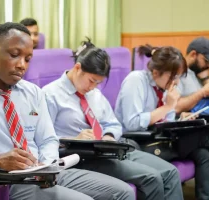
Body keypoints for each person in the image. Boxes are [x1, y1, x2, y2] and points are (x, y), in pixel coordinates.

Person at [0, 22, 135, 200]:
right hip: (5, 181)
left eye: (27, 59)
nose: (22, 65)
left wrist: (47, 163)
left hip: (44, 173)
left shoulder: (33, 92)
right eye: (14, 55)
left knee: (123, 193)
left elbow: (48, 140)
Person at [42, 38, 184, 200]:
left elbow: (113, 123)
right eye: (91, 81)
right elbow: (43, 139)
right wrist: (72, 140)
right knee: (152, 177)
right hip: (82, 156)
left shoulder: (94, 94)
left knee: (171, 172)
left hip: (109, 148)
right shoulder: (50, 95)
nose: (93, 87)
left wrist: (109, 135)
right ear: (77, 68)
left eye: (98, 83)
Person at [114, 44, 209, 200]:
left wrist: (179, 120)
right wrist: (168, 106)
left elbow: (165, 119)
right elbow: (132, 123)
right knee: (204, 136)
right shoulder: (135, 81)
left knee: (203, 154)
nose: (175, 82)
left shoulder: (162, 87)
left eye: (178, 77)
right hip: (137, 142)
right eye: (173, 76)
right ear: (156, 72)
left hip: (159, 139)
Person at [175, 37, 209, 113]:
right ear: (193, 54)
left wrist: (206, 80)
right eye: (206, 60)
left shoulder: (199, 71)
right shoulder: (177, 73)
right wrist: (202, 92)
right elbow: (175, 107)